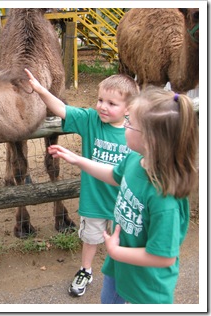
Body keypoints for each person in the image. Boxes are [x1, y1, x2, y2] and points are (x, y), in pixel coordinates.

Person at [48, 86, 198, 304]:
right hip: (119, 270)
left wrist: (116, 252)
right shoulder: (136, 161)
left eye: (130, 123)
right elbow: (112, 175)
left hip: (145, 287)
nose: (125, 126)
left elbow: (164, 256)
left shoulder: (165, 199)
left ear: (150, 139)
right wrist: (78, 160)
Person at [25, 68, 139, 297]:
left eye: (112, 103)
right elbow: (61, 109)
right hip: (95, 199)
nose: (103, 106)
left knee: (124, 241)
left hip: (125, 203)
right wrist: (39, 90)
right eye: (100, 100)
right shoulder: (90, 120)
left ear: (128, 109)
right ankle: (85, 270)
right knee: (91, 239)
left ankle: (123, 275)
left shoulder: (135, 131)